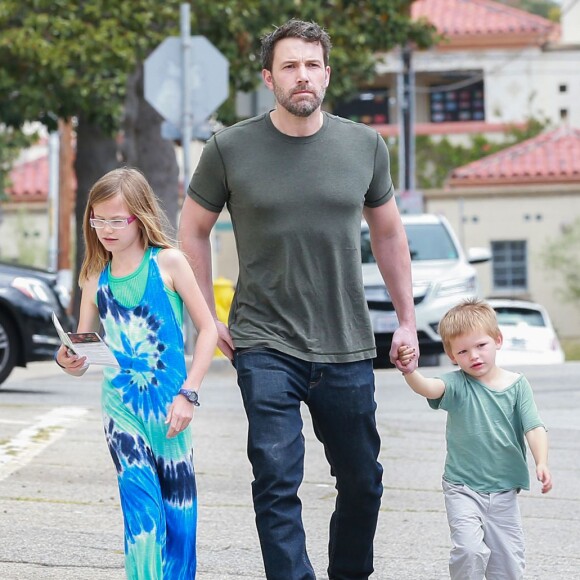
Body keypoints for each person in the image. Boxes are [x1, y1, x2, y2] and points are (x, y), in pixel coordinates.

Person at [178, 18, 419, 580]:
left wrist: (406, 321)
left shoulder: (364, 146)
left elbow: (388, 233)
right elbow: (192, 230)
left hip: (347, 342)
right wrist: (208, 321)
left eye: (312, 65)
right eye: (289, 66)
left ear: (327, 75)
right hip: (264, 342)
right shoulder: (228, 148)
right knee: (275, 477)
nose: (302, 76)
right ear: (269, 77)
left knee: (363, 480)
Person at [55, 167, 218, 579]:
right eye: (98, 219)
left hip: (171, 411)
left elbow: (209, 331)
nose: (105, 229)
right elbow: (85, 348)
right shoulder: (94, 277)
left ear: (140, 216)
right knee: (142, 518)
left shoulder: (169, 263)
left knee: (179, 522)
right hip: (120, 411)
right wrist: (68, 359)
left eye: (116, 219)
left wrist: (190, 393)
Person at [399, 298, 552, 580]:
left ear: (498, 340)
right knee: (469, 550)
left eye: (481, 345)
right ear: (452, 356)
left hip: (504, 490)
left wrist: (541, 461)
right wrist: (411, 372)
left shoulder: (518, 386)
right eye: (463, 351)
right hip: (462, 487)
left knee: (508, 564)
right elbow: (430, 388)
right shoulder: (457, 384)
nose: (474, 356)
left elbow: (534, 426)